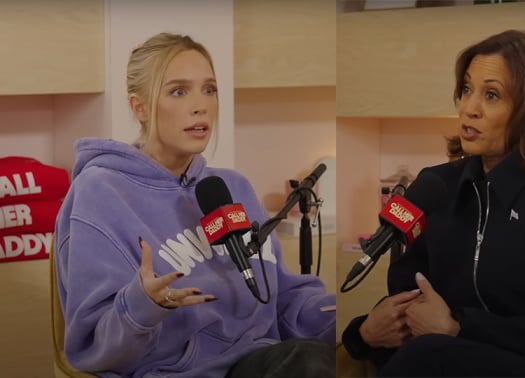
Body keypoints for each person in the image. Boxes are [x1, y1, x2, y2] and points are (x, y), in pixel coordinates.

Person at [341, 29, 525, 377]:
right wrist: (363, 333)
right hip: (469, 354)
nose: (469, 109)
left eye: (491, 95)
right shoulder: (437, 184)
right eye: (467, 89)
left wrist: (459, 327)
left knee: (432, 355)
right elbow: (411, 297)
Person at [54, 32, 335, 377]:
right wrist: (143, 305)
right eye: (178, 91)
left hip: (262, 360)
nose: (200, 105)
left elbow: (280, 298)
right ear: (138, 107)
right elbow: (93, 347)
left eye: (209, 89)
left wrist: (352, 321)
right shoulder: (100, 193)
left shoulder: (232, 187)